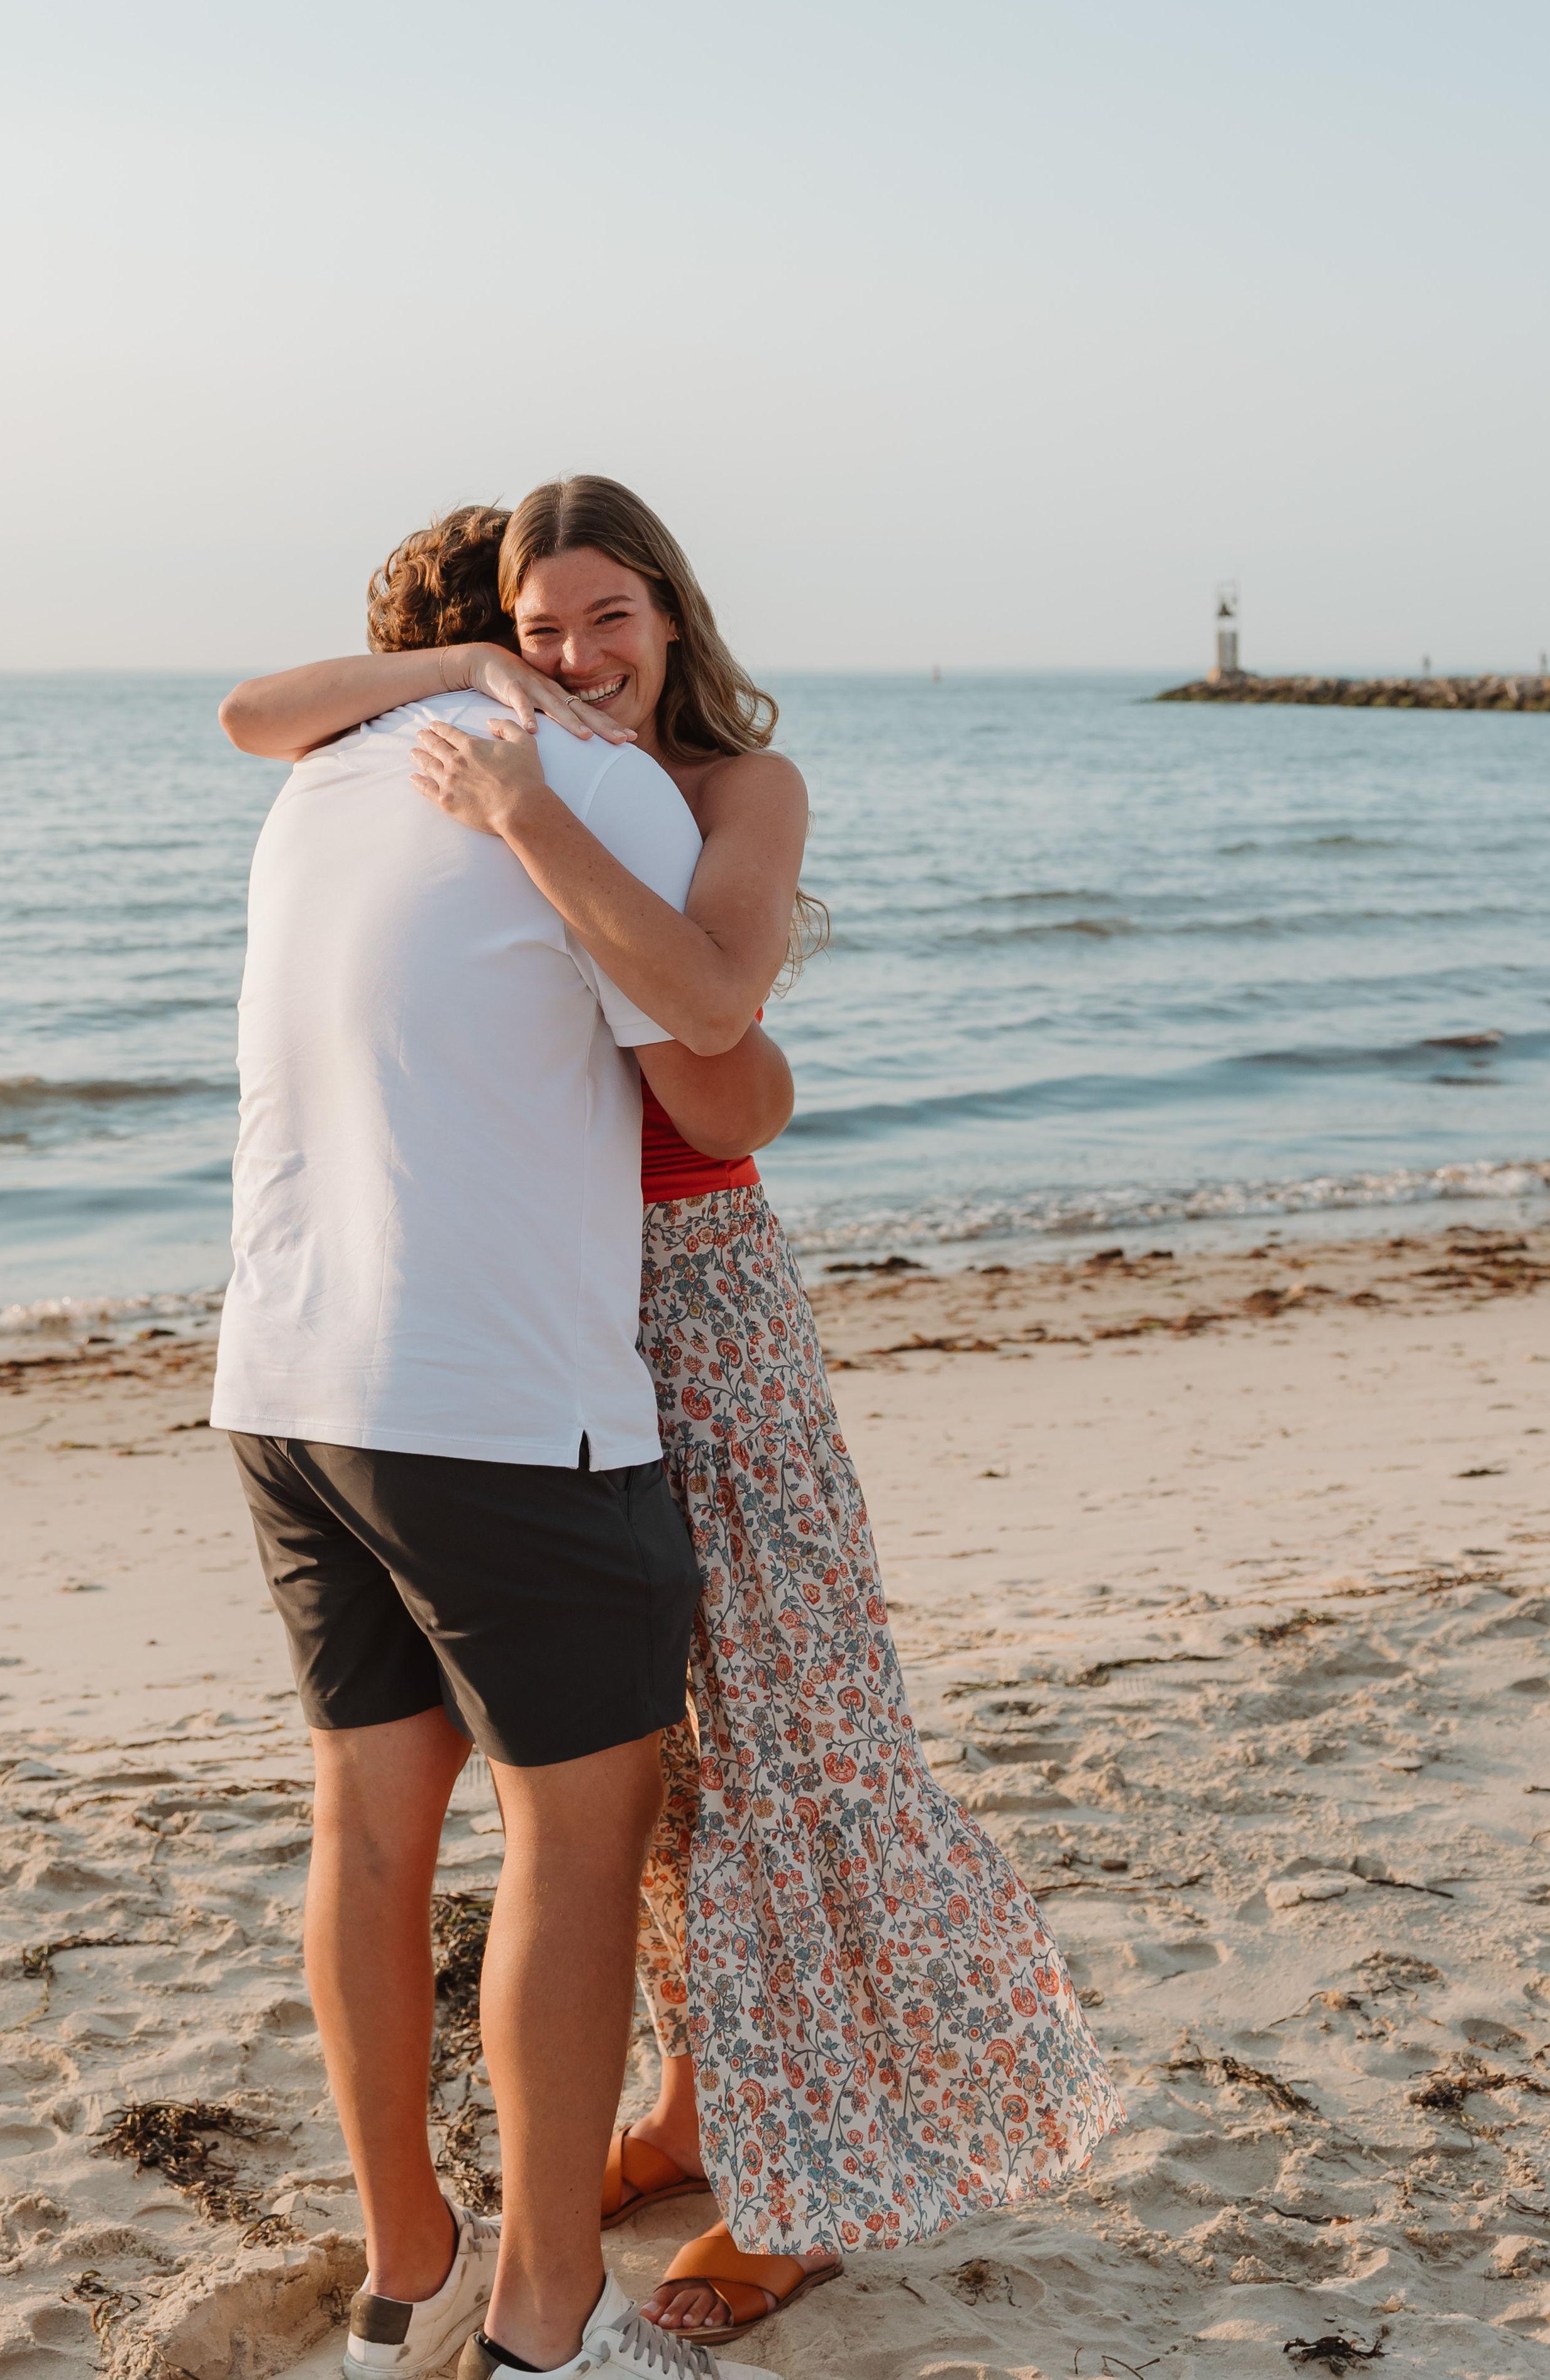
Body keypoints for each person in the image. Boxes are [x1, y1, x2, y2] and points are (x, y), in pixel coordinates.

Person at [228, 477, 1124, 2342]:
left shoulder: (722, 791)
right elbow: (256, 716)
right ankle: (690, 2117)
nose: (574, 659)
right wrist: (478, 707)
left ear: (671, 615)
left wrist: (530, 818)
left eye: (607, 620)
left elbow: (721, 1069)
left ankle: (795, 2184)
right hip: (540, 1303)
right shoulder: (475, 755)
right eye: (535, 629)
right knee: (642, 1782)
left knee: (779, 1735)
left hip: (694, 1295)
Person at [208, 521, 778, 2380]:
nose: (584, 658)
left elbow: (253, 708)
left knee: (369, 1828)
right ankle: (547, 2320)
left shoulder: (314, 782)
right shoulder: (597, 784)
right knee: (576, 1847)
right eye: (555, 628)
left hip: (283, 1381)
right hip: (500, 1407)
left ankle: (408, 2278)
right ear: (520, 646)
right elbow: (715, 1065)